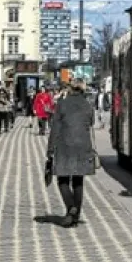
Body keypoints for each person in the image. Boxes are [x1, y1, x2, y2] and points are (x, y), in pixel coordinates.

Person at [46, 79, 97, 227]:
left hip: (64, 145)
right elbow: (91, 123)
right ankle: (75, 217)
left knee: (62, 179)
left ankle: (70, 207)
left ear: (70, 89)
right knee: (78, 180)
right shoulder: (88, 105)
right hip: (83, 145)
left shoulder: (62, 104)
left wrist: (50, 149)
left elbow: (55, 127)